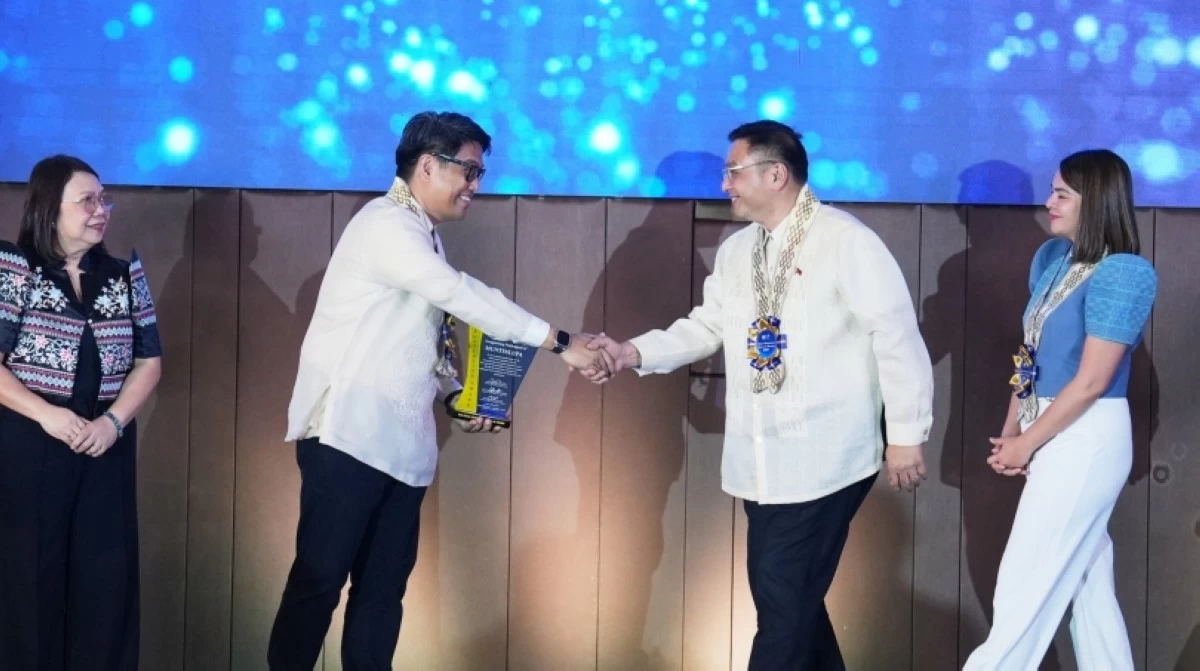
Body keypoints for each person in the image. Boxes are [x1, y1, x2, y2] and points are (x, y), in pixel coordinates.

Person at [268, 111, 610, 670]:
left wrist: (455, 395)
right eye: (469, 171)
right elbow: (459, 295)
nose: (476, 185)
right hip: (348, 436)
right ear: (428, 165)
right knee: (318, 582)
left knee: (381, 597)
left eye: (479, 173)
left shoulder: (422, 233)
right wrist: (561, 342)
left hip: (402, 449)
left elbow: (425, 337)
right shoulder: (384, 224)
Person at [586, 120, 934, 670]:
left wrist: (907, 436)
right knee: (791, 601)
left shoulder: (846, 241)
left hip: (829, 454)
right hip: (763, 457)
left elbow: (896, 337)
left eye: (734, 172)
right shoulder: (738, 250)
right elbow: (707, 326)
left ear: (776, 175)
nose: (725, 184)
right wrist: (632, 352)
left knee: (782, 601)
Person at [964, 149, 1156, 670]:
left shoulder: (1123, 273)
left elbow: (1091, 381)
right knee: (1089, 587)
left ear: (1095, 202)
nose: (1049, 202)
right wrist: (1013, 430)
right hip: (1049, 428)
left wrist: (1030, 440)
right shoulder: (1053, 261)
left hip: (1085, 436)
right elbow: (1030, 353)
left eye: (1061, 194)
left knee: (1024, 586)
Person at [0, 154, 163, 670]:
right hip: (30, 451)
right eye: (87, 201)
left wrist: (113, 423)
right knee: (30, 584)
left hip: (103, 450)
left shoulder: (122, 274)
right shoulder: (14, 268)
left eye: (104, 200)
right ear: (50, 207)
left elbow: (149, 362)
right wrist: (46, 414)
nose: (101, 210)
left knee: (104, 583)